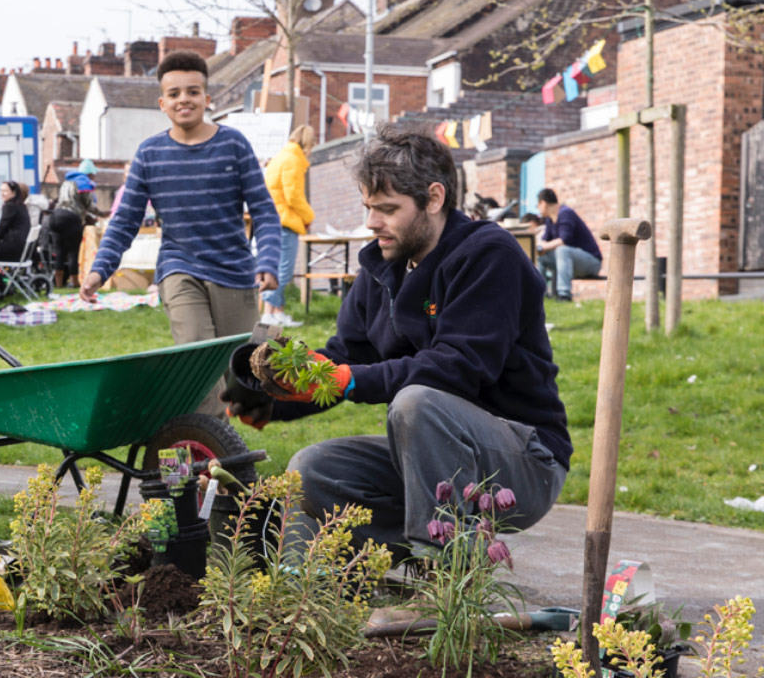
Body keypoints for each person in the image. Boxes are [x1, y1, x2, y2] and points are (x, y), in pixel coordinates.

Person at [221, 123, 571, 559]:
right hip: (431, 458)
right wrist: (277, 397)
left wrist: (347, 377)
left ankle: (444, 575)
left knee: (416, 402)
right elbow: (346, 359)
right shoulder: (382, 266)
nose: (372, 223)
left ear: (435, 198)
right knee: (312, 470)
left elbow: (456, 367)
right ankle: (370, 569)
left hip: (522, 462)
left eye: (387, 208)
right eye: (369, 207)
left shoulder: (488, 255)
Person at [81, 50, 280, 415]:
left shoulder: (233, 145)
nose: (183, 99)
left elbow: (265, 211)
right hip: (179, 267)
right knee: (196, 363)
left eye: (192, 91)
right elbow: (125, 220)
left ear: (207, 98)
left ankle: (224, 452)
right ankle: (203, 457)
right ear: (162, 102)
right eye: (174, 93)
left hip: (234, 271)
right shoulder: (149, 154)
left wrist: (267, 261)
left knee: (237, 370)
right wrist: (99, 270)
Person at [261, 123, 315, 328]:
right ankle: (268, 314)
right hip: (285, 220)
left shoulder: (281, 156)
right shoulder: (293, 160)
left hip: (274, 218)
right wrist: (309, 216)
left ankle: (277, 313)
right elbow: (293, 196)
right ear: (308, 144)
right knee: (283, 269)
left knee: (279, 267)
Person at [535, 187, 602, 301]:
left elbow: (563, 240)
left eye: (538, 205)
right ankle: (540, 294)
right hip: (569, 261)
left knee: (562, 250)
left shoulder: (566, 213)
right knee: (540, 257)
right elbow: (545, 240)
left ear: (543, 203)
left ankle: (564, 294)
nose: (538, 208)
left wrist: (542, 246)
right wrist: (539, 247)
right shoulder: (549, 220)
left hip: (591, 263)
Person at [46, 185, 92, 286]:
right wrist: (102, 214)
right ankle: (75, 282)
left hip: (55, 215)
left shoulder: (65, 185)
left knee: (59, 251)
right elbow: (89, 205)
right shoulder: (83, 184)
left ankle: (59, 284)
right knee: (72, 252)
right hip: (71, 216)